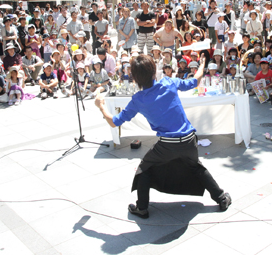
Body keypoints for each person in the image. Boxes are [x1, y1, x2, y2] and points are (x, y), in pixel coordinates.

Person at [94, 54, 231, 218]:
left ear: (135, 78)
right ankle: (221, 198)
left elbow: (114, 122)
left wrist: (101, 106)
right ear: (154, 72)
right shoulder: (168, 82)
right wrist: (202, 64)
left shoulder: (138, 99)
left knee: (144, 169)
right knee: (196, 167)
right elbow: (195, 81)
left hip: (167, 144)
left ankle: (142, 208)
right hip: (189, 139)